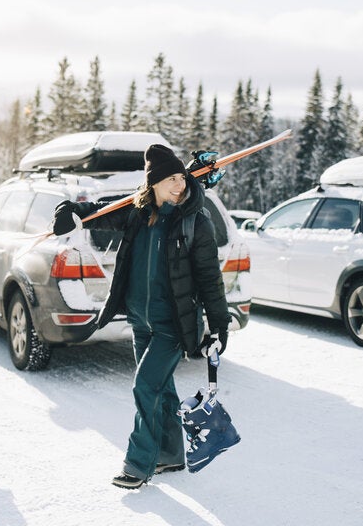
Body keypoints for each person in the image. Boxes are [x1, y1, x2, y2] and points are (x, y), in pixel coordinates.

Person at [52, 143, 231, 490]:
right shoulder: (137, 213)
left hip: (172, 325)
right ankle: (171, 454)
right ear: (154, 184)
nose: (179, 185)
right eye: (171, 179)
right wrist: (68, 209)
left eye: (182, 178)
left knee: (145, 387)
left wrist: (218, 327)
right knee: (161, 389)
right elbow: (98, 214)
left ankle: (138, 465)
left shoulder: (195, 221)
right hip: (140, 320)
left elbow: (210, 279)